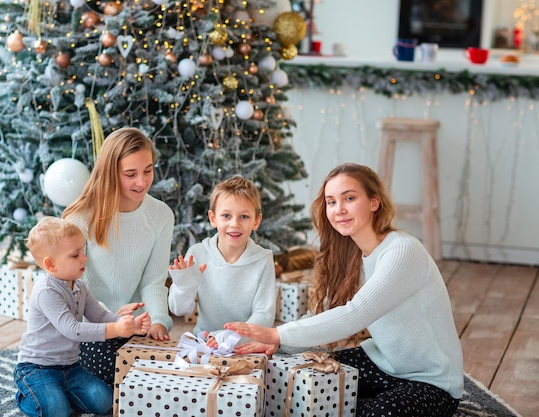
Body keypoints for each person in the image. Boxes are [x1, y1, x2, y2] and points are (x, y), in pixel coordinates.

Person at [225, 163, 464, 417]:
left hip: (432, 382)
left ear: (374, 202)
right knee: (304, 381)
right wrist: (280, 345)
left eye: (349, 198)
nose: (339, 210)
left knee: (378, 412)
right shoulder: (353, 256)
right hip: (381, 363)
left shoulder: (402, 250)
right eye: (331, 202)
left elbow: (355, 313)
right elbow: (324, 312)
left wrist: (277, 333)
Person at [62, 127, 175, 386]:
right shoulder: (79, 218)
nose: (142, 181)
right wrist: (111, 320)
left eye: (148, 170)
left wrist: (158, 320)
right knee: (107, 391)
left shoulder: (161, 215)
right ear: (110, 173)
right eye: (130, 174)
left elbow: (153, 281)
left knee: (157, 387)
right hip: (92, 327)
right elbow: (72, 288)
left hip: (136, 328)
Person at [14, 216, 151, 417]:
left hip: (70, 367)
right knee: (56, 412)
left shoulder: (80, 286)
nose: (84, 258)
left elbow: (101, 315)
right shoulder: (46, 291)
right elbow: (73, 330)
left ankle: (60, 394)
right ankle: (26, 395)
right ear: (50, 265)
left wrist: (126, 324)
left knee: (105, 402)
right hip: (37, 368)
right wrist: (115, 330)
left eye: (83, 251)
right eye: (75, 254)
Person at [168, 175, 276, 347]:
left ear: (256, 221)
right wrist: (183, 286)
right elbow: (179, 310)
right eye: (226, 215)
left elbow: (264, 315)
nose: (235, 224)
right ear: (213, 218)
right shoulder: (197, 253)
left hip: (243, 344)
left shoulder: (263, 260)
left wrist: (228, 337)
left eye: (244, 217)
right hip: (202, 342)